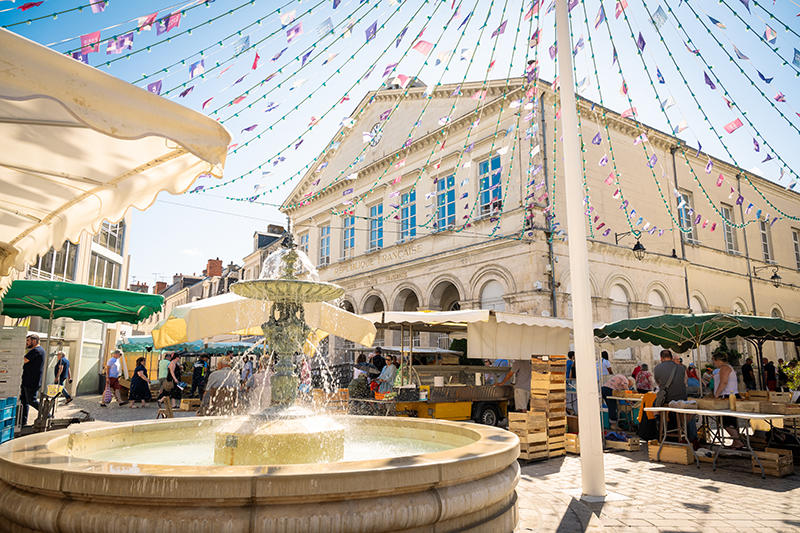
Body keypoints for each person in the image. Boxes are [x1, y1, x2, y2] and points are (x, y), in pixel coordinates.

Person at [713, 352, 744, 448]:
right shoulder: (726, 367)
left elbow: (723, 382)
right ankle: (736, 441)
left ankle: (737, 441)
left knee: (725, 421)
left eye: (714, 361)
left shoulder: (724, 368)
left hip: (728, 397)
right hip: (730, 396)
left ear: (718, 360)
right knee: (730, 421)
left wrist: (716, 395)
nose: (714, 363)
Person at [20, 334, 45, 426]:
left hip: (31, 381)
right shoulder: (39, 350)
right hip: (28, 380)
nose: (26, 343)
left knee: (31, 400)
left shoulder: (36, 350)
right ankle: (23, 422)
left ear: (34, 341)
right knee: (24, 401)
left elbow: (23, 360)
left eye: (28, 341)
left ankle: (47, 414)